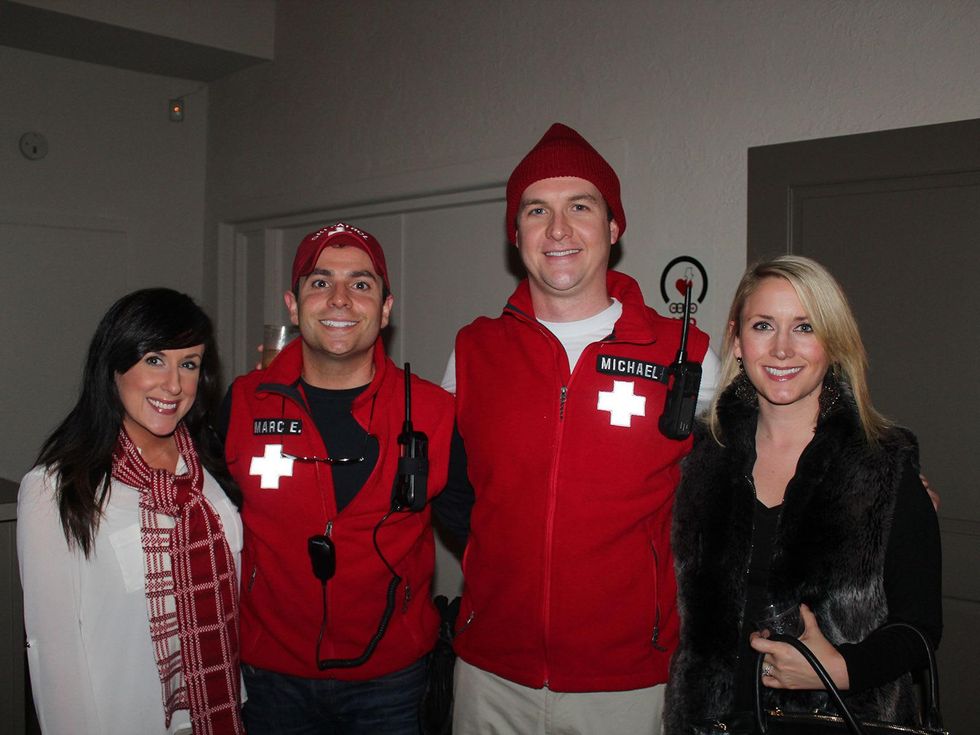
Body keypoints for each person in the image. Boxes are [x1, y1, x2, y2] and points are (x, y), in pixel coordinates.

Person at [444, 122, 718, 735]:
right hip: (491, 676)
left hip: (628, 681)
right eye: (537, 210)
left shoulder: (687, 354)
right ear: (516, 236)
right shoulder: (472, 352)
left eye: (581, 207)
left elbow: (766, 462)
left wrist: (888, 481)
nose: (559, 230)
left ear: (614, 228)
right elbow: (450, 487)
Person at [664, 256, 942, 732]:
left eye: (805, 327)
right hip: (707, 721)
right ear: (736, 338)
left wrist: (840, 669)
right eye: (763, 325)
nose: (781, 349)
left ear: (833, 343)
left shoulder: (882, 466)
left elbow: (919, 628)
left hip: (840, 720)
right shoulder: (697, 459)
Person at [220, 222, 455, 734]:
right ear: (293, 303)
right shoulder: (240, 404)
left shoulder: (436, 414)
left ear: (386, 309)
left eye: (362, 284)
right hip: (270, 678)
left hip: (391, 683)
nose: (340, 300)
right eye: (320, 283)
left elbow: (489, 529)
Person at [18, 288, 244, 735]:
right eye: (155, 360)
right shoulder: (56, 490)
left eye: (190, 364)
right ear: (115, 367)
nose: (174, 385)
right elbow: (56, 653)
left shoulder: (210, 473)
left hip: (217, 714)